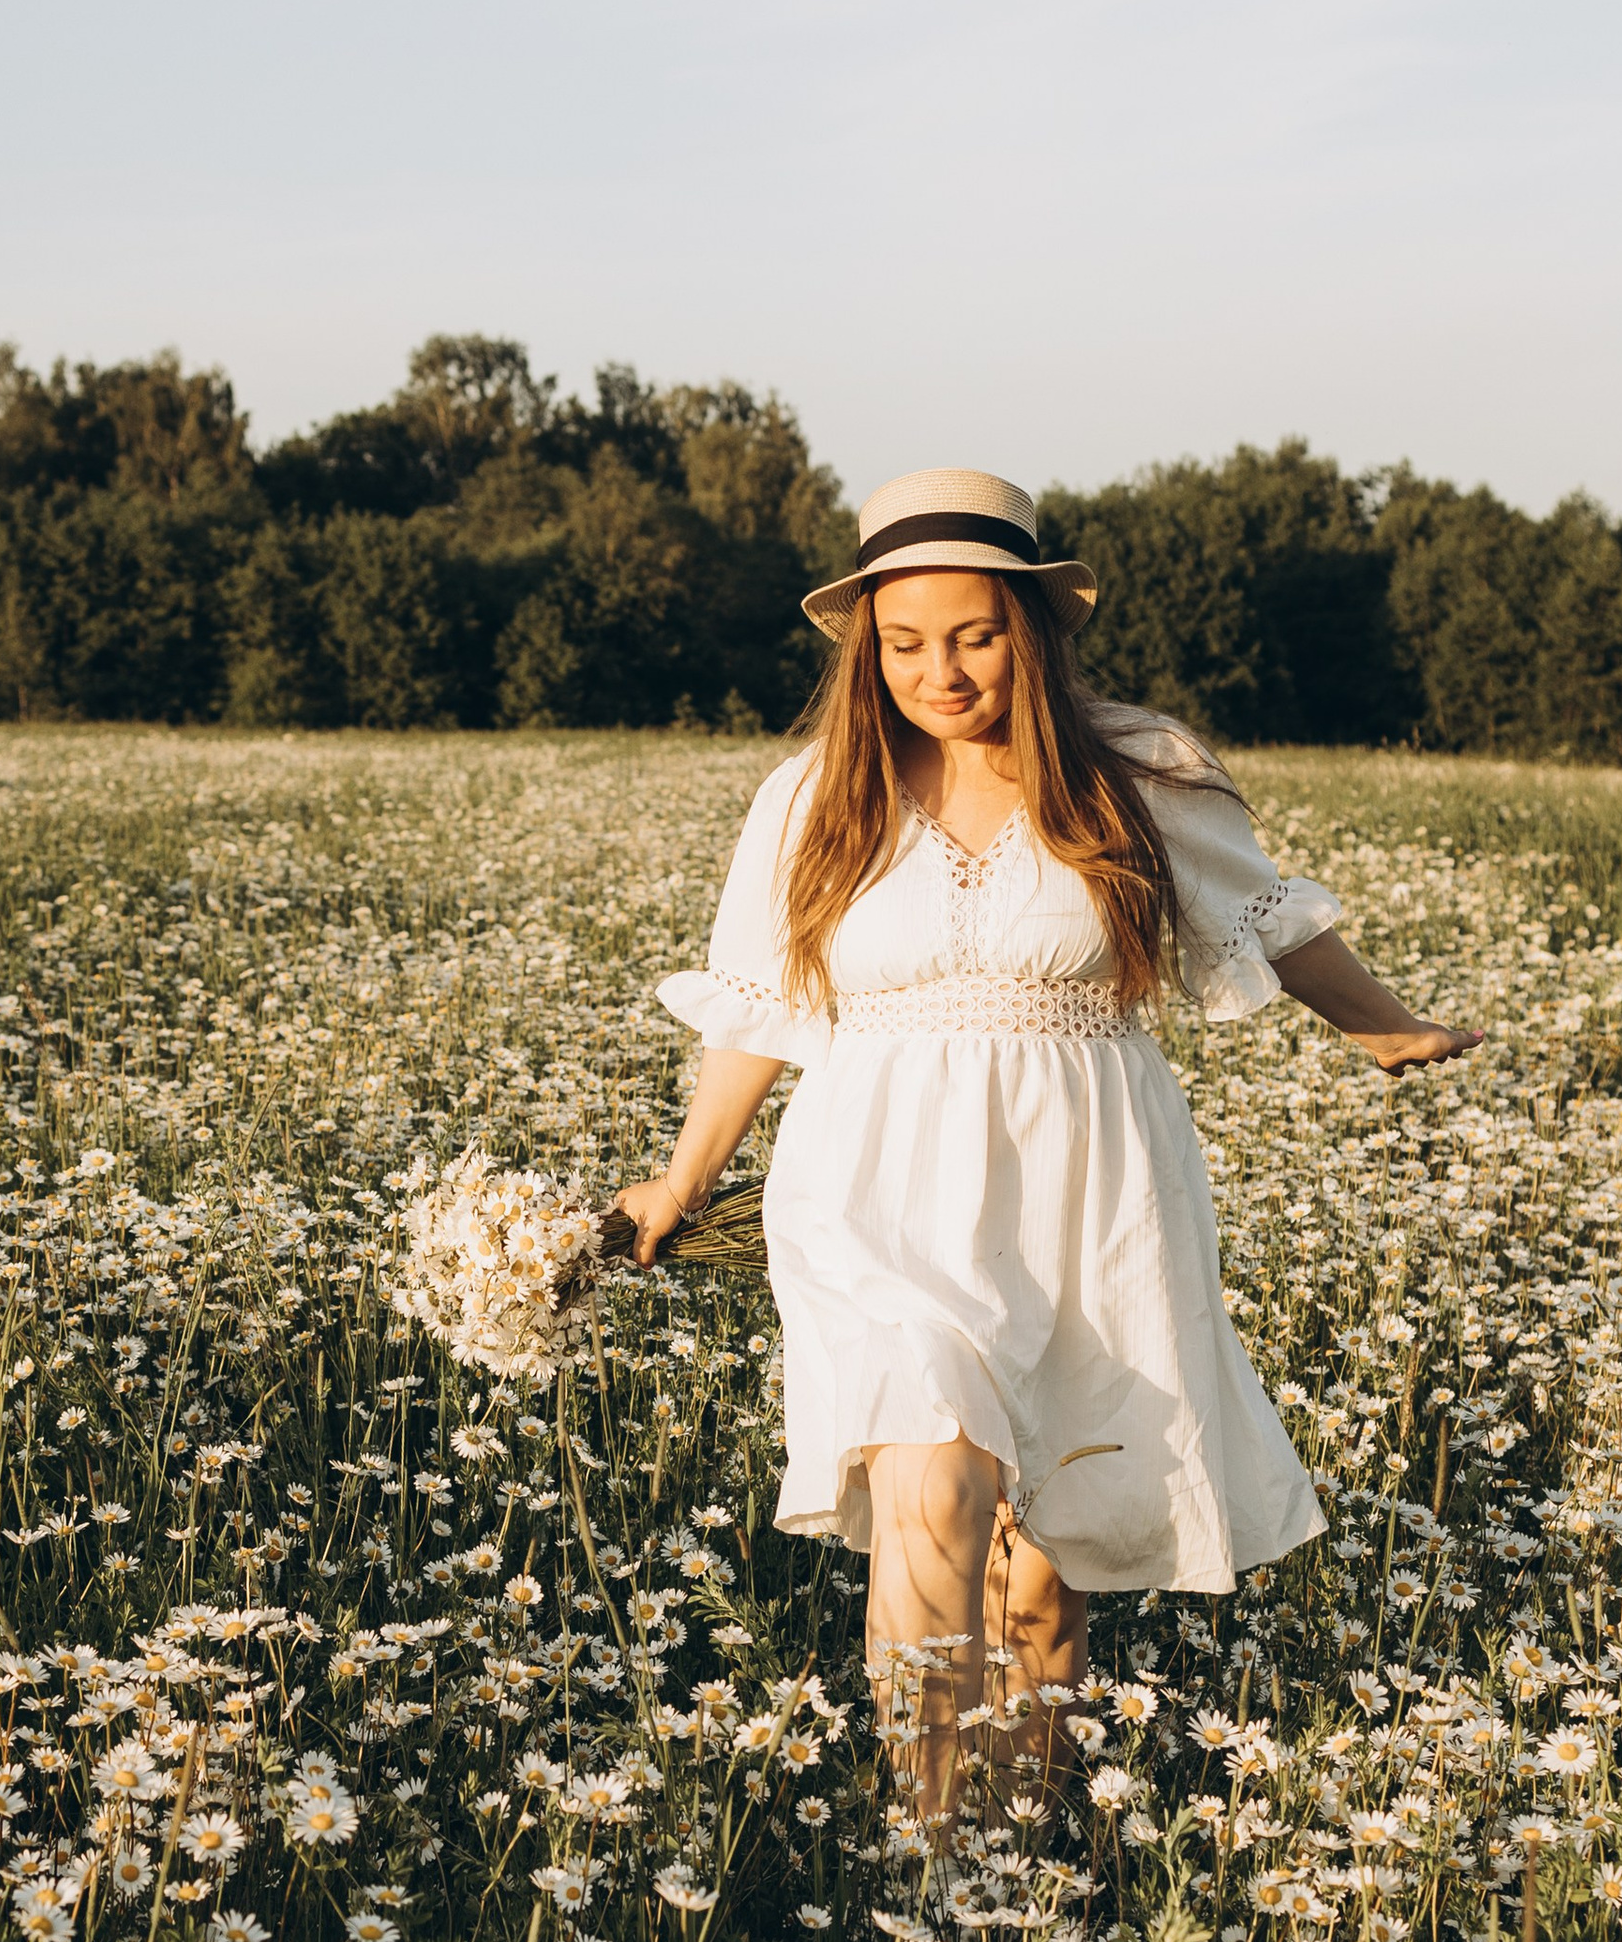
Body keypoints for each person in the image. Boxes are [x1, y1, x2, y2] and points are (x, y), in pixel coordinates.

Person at [614, 469, 1481, 1818]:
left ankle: (1031, 1871)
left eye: (972, 635)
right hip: (871, 1183)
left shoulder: (1135, 768)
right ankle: (925, 1860)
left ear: (1033, 625)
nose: (939, 671)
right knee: (933, 1485)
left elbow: (1270, 918)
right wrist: (683, 1176)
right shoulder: (813, 798)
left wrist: (1384, 1026)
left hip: (1089, 1183)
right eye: (905, 643)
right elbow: (762, 1009)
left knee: (1045, 1562)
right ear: (866, 646)